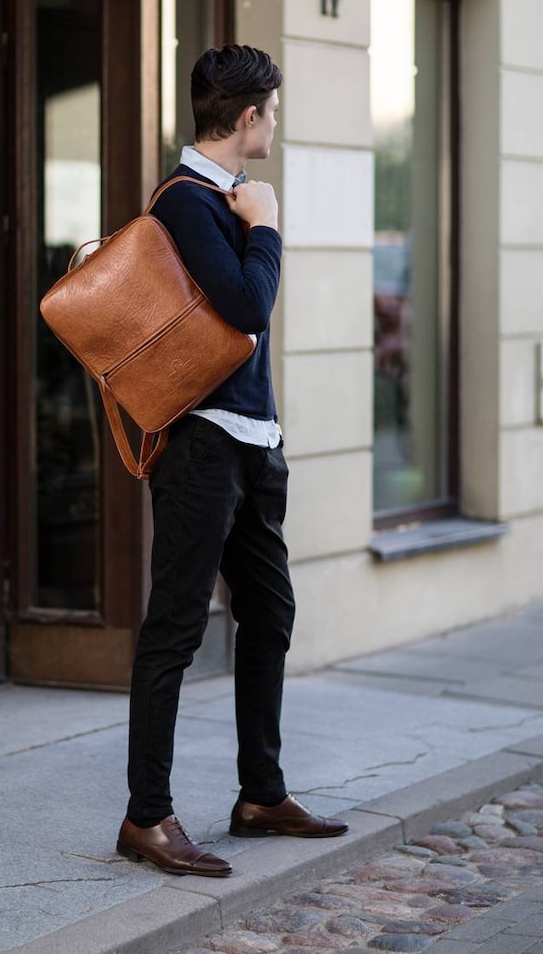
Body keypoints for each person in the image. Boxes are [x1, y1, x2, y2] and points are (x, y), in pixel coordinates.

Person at [116, 44, 348, 878]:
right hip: (203, 446)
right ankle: (146, 815)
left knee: (270, 613)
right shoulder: (186, 200)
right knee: (176, 627)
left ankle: (261, 793)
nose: (275, 124)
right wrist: (269, 225)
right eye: (272, 112)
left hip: (253, 440)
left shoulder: (229, 197)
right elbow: (247, 306)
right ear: (248, 116)